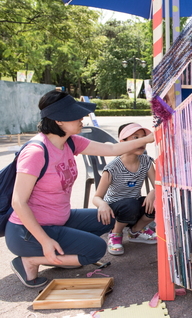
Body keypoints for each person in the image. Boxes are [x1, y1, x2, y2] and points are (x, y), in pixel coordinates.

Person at [5, 90, 155, 288]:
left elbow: (111, 149)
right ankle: (29, 260)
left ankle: (63, 250)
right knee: (96, 249)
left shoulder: (70, 142)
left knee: (109, 217)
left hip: (60, 218)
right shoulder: (36, 152)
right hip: (27, 231)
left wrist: (147, 138)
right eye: (76, 115)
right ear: (59, 120)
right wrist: (45, 241)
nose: (82, 118)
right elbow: (18, 202)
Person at [93, 123, 156, 256]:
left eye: (143, 137)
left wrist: (153, 192)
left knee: (157, 202)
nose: (141, 141)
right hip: (115, 210)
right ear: (123, 142)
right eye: (135, 137)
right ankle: (115, 233)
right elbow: (96, 197)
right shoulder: (113, 167)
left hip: (133, 206)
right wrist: (103, 204)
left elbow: (158, 185)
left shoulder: (146, 161)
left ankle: (136, 231)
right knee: (130, 205)